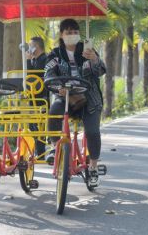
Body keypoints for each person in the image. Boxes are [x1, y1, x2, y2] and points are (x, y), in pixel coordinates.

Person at [44, 19, 106, 187]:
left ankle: (93, 166)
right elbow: (48, 75)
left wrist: (94, 59)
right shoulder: (55, 55)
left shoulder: (87, 51)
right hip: (65, 98)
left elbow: (100, 71)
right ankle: (55, 147)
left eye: (75, 32)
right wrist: (58, 89)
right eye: (68, 32)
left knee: (92, 132)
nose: (72, 35)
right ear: (61, 35)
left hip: (90, 99)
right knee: (54, 112)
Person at [26, 36, 48, 158]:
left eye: (30, 46)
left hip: (41, 98)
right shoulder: (35, 59)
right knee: (32, 125)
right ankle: (36, 151)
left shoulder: (44, 59)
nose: (29, 48)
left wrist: (28, 61)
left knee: (39, 125)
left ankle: (40, 153)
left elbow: (34, 76)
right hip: (33, 98)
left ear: (37, 47)